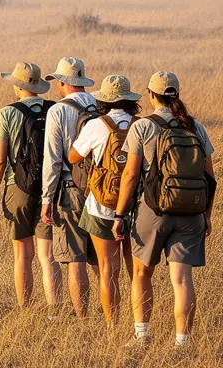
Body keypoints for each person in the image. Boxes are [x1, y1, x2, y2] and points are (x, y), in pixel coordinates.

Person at [113, 72, 216, 349]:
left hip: (153, 210)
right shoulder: (196, 127)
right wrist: (206, 215)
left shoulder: (143, 127)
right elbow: (210, 177)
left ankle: (142, 337)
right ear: (176, 95)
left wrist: (120, 215)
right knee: (182, 279)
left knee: (141, 274)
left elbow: (131, 176)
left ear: (150, 94)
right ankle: (182, 343)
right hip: (191, 211)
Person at [0, 62, 62, 308]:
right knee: (48, 256)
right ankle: (54, 311)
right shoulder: (54, 109)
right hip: (50, 189)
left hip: (17, 188)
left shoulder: (7, 113)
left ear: (18, 86)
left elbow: (0, 159)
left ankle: (24, 310)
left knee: (22, 255)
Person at [68, 74, 139, 328]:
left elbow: (74, 157)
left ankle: (112, 327)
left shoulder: (97, 125)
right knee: (137, 272)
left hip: (102, 205)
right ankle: (140, 324)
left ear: (104, 101)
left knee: (108, 269)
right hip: (138, 208)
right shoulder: (141, 125)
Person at [40, 57, 99, 318]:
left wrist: (46, 200)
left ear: (63, 83)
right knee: (102, 258)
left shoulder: (58, 111)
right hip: (101, 189)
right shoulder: (101, 105)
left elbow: (52, 159)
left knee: (75, 258)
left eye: (58, 82)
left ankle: (81, 317)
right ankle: (111, 312)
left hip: (70, 188)